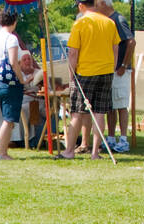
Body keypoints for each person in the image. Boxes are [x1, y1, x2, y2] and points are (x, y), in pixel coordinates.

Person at [56, 0, 119, 160]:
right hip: (106, 72)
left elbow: (73, 53)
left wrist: (71, 76)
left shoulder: (80, 23)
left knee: (77, 112)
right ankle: (95, 152)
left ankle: (69, 151)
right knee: (99, 113)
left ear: (81, 6)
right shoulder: (110, 23)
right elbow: (115, 49)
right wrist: (112, 68)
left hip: (85, 72)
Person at [0, 11, 32, 160]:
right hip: (10, 83)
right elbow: (13, 62)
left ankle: (2, 150)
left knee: (6, 118)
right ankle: (2, 152)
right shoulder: (11, 38)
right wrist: (23, 79)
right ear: (14, 21)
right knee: (9, 119)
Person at [98, 0, 134, 152]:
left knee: (121, 105)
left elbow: (131, 42)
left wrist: (124, 65)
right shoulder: (108, 21)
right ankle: (111, 138)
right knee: (111, 106)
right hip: (111, 69)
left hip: (120, 70)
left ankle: (123, 139)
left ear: (104, 4)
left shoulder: (118, 19)